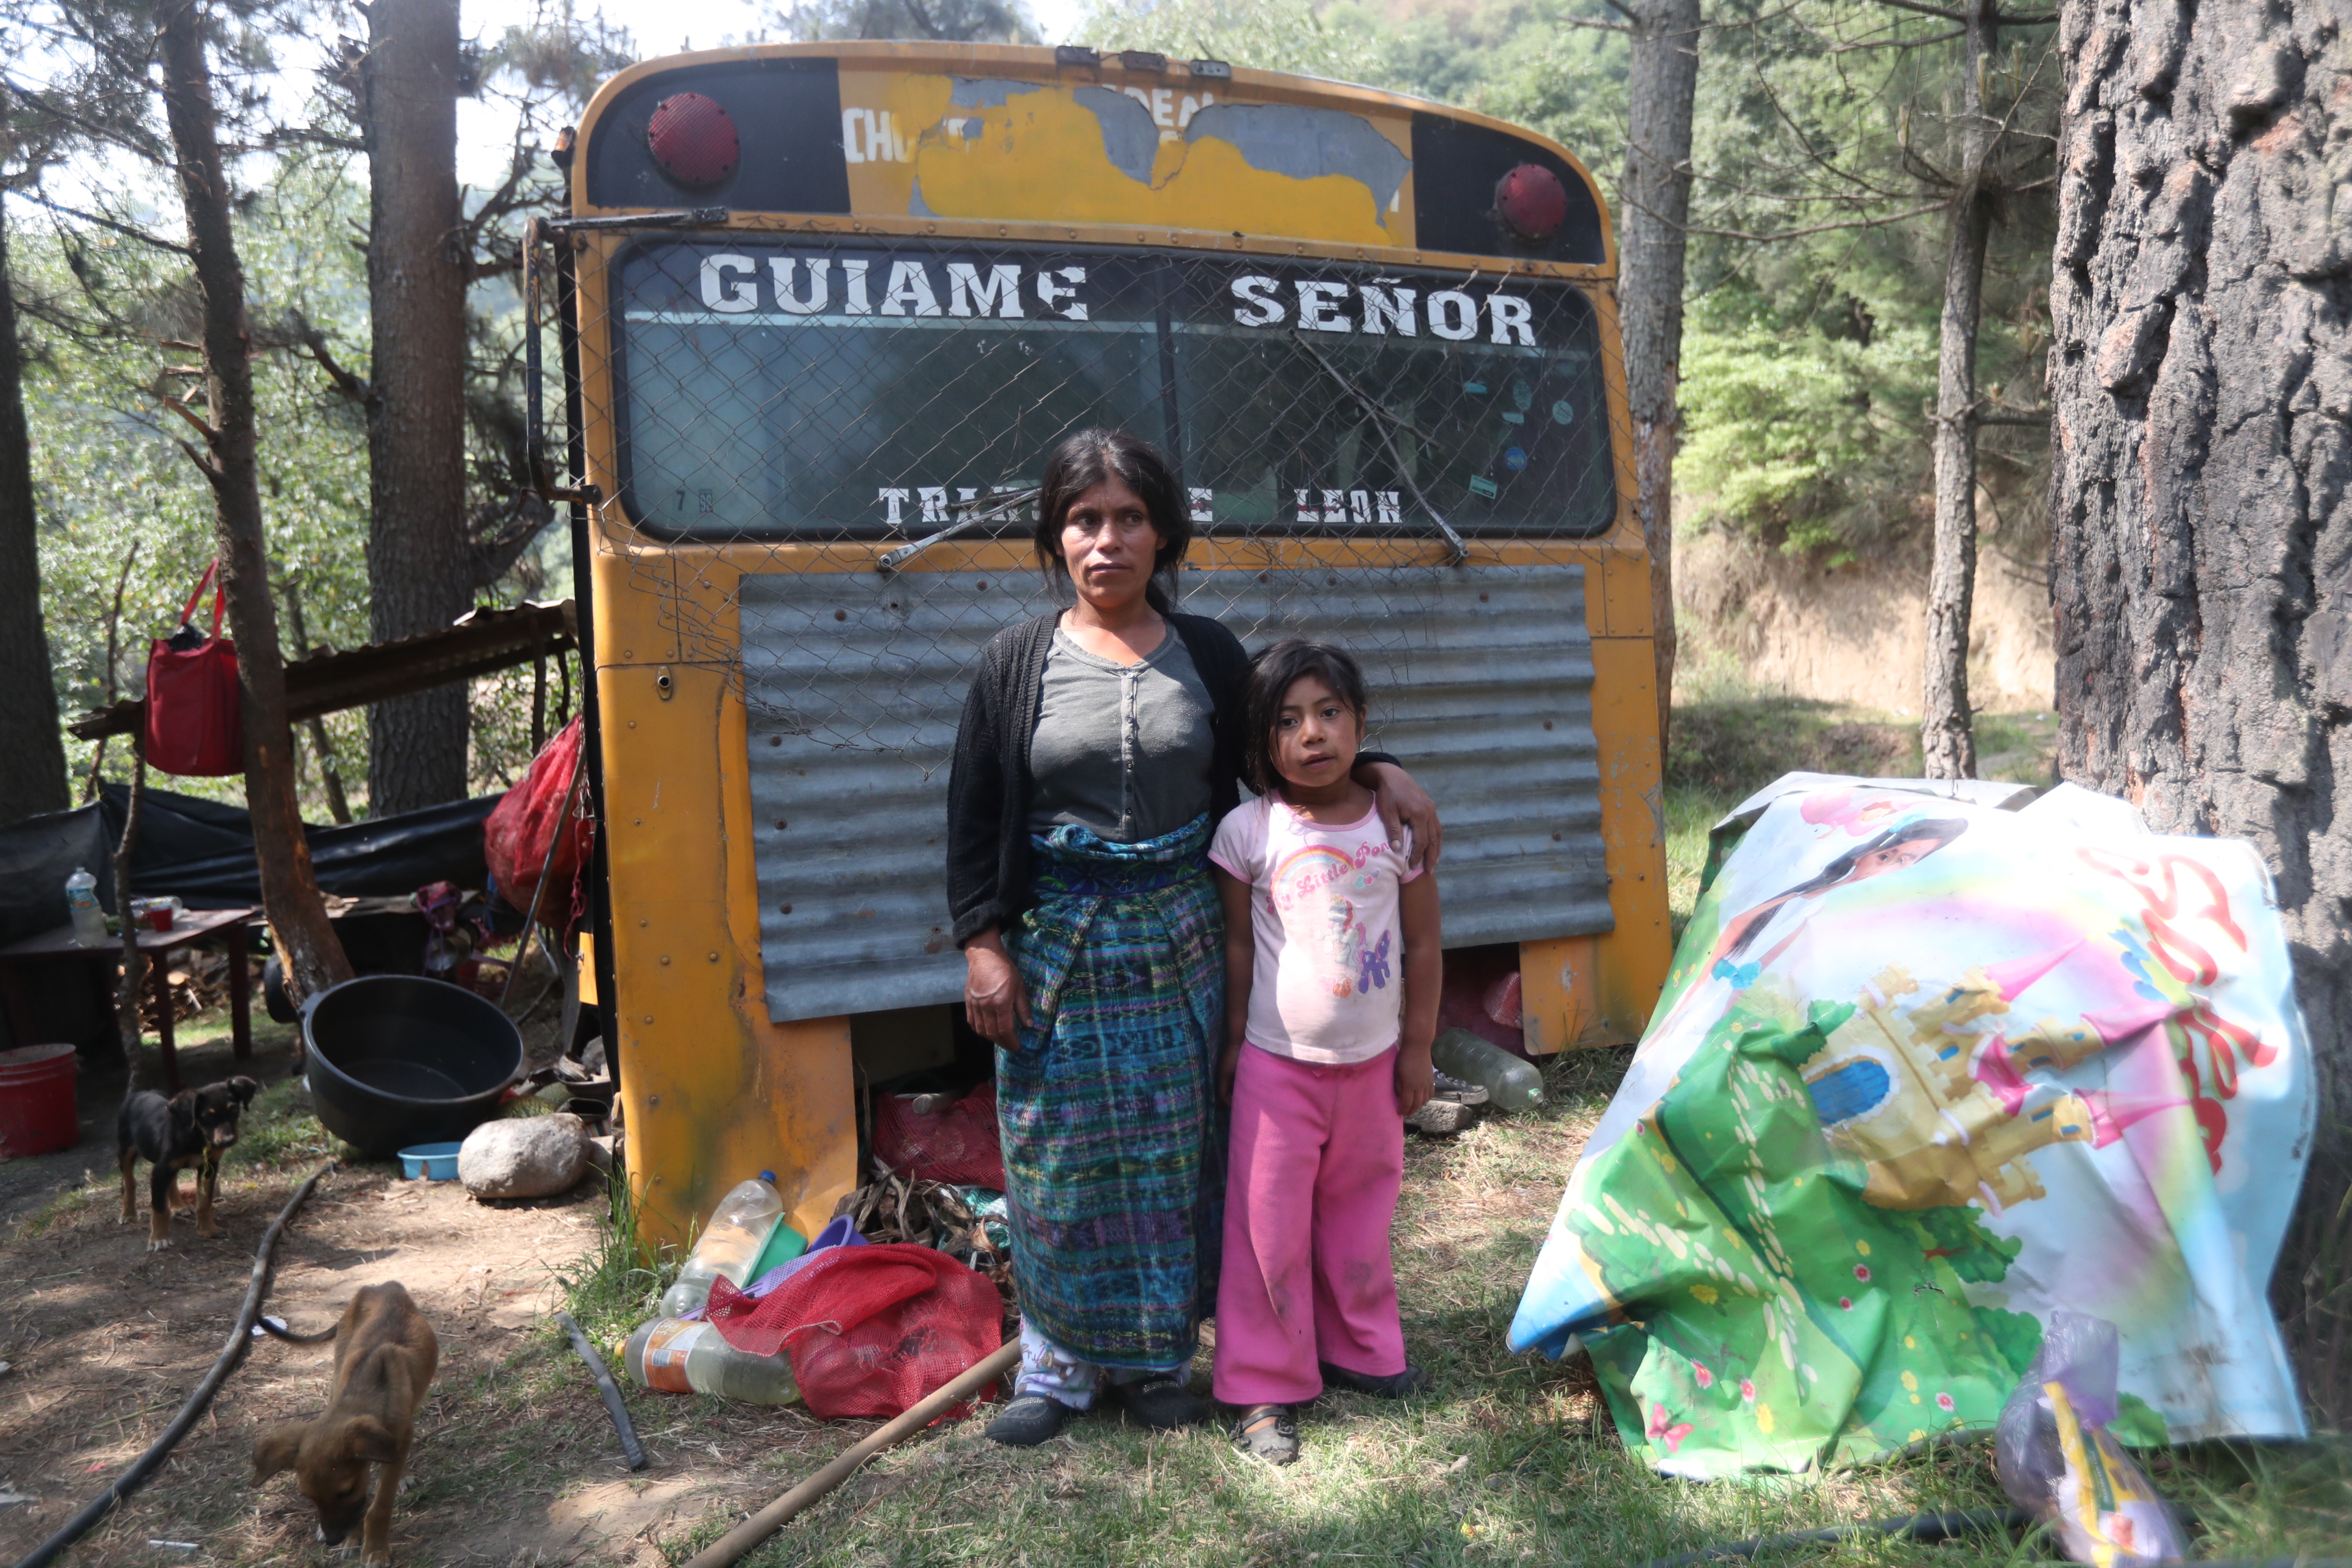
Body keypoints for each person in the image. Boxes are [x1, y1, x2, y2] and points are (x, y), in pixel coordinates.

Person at [947, 430, 1442, 1447]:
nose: (1108, 540)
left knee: (1176, 1153)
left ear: (1164, 534)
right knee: (1058, 1155)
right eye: (1085, 519)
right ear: (1056, 536)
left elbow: (1293, 749)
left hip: (1183, 935)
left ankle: (1161, 1361)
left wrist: (1383, 765)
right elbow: (974, 807)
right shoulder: (1013, 664)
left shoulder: (1209, 653)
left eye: (1130, 518)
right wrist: (982, 943)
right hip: (1061, 944)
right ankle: (1059, 1367)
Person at [1207, 640, 1441, 1465]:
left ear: (1362, 725)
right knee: (1266, 1229)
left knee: (1362, 1214)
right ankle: (1261, 1385)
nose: (1313, 734)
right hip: (1277, 1069)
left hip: (1374, 1070)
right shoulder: (1249, 832)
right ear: (1260, 744)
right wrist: (1234, 1047)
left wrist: (1418, 1052)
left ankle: (1361, 1350)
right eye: (1289, 721)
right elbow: (1239, 948)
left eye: (1330, 713)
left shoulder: (1396, 827)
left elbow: (1424, 947)